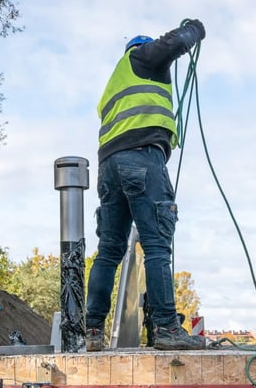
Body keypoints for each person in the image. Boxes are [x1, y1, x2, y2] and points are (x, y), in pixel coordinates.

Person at [85, 19, 206, 351]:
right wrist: (195, 30)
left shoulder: (112, 87)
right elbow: (173, 43)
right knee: (156, 245)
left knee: (109, 251)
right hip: (141, 159)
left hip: (109, 167)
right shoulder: (140, 57)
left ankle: (92, 330)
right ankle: (166, 327)